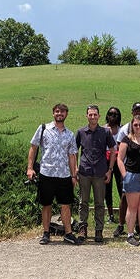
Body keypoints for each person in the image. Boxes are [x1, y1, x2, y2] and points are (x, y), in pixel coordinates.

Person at [27, 103, 81, 245]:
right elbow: (33, 147)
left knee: (66, 205)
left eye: (62, 112)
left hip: (64, 175)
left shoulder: (70, 134)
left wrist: (74, 175)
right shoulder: (43, 129)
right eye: (57, 111)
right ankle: (46, 233)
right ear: (53, 113)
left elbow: (72, 156)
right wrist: (30, 168)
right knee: (46, 204)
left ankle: (68, 233)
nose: (59, 114)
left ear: (66, 114)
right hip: (46, 173)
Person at [113, 102, 140, 237]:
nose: (138, 127)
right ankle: (130, 234)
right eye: (136, 125)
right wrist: (125, 175)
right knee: (131, 207)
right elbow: (119, 158)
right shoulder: (126, 137)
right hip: (132, 175)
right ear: (132, 125)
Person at [75, 105, 116, 243]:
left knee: (100, 203)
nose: (92, 117)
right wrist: (75, 168)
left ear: (99, 116)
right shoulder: (80, 132)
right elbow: (74, 151)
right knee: (83, 202)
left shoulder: (105, 132)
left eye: (95, 115)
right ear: (86, 116)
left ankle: (99, 230)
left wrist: (110, 170)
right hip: (84, 172)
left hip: (100, 172)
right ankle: (83, 228)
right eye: (90, 114)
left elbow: (113, 150)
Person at [104, 106, 122, 223]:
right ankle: (110, 214)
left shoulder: (122, 129)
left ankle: (123, 214)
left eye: (115, 114)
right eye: (110, 114)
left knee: (122, 188)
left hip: (119, 160)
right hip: (106, 161)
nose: (113, 116)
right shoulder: (103, 129)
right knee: (107, 189)